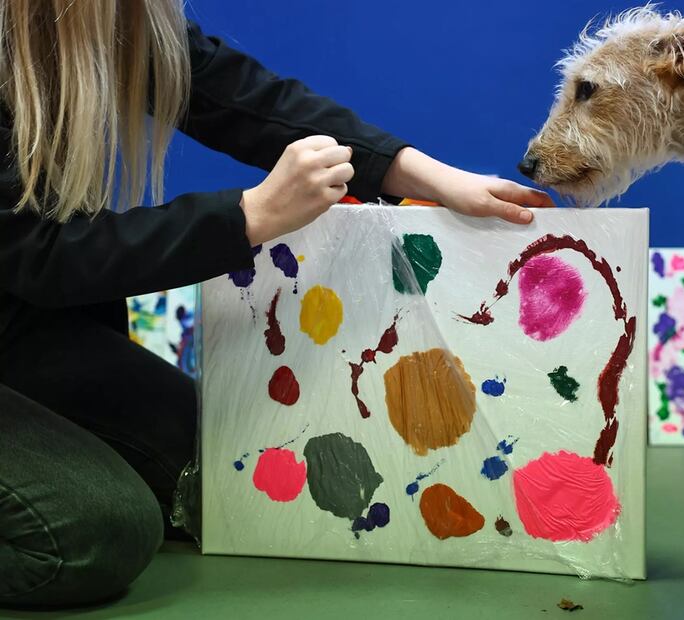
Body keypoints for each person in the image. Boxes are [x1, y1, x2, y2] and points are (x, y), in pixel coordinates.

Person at [0, 1, 553, 609]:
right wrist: (247, 216)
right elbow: (35, 251)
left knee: (218, 476)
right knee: (95, 536)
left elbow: (238, 95)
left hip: (21, 328)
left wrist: (428, 175)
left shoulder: (113, 17)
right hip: (26, 290)